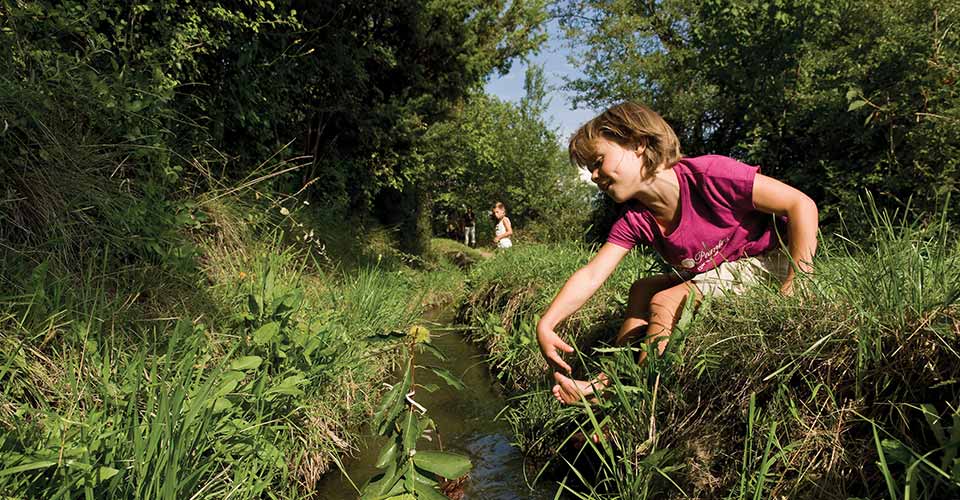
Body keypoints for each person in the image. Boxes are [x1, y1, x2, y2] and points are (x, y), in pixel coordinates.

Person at [536, 102, 818, 405]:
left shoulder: (710, 174)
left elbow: (801, 204)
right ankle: (611, 377)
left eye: (598, 161)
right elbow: (593, 274)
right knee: (642, 289)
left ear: (638, 144)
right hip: (718, 268)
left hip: (769, 259)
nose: (593, 176)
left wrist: (798, 280)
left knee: (665, 301)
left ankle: (641, 400)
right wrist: (547, 322)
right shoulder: (636, 218)